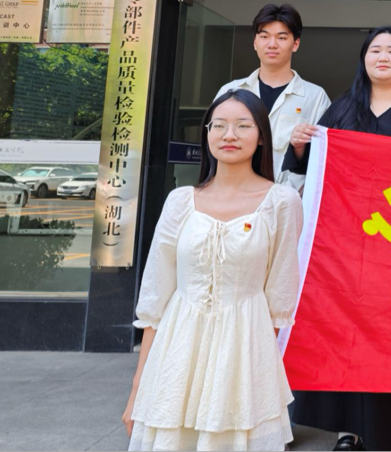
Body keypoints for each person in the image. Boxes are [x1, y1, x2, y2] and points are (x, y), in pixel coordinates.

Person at [285, 26, 391, 452]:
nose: (383, 57)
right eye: (375, 50)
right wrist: (300, 145)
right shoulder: (342, 109)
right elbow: (310, 167)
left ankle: (390, 430)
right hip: (344, 248)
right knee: (346, 333)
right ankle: (347, 430)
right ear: (364, 59)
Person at [122, 89, 303, 451]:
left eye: (242, 126)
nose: (229, 134)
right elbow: (156, 295)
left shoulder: (282, 202)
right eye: (218, 125)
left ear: (262, 137)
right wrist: (139, 384)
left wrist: (259, 373)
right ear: (206, 134)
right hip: (177, 353)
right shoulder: (180, 201)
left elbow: (280, 296)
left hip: (244, 353)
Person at [217, 3, 330, 192]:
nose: (272, 44)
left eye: (281, 37)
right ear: (255, 42)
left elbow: (321, 158)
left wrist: (283, 195)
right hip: (233, 195)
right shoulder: (229, 92)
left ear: (296, 44)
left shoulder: (316, 97)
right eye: (264, 36)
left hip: (290, 200)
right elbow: (214, 144)